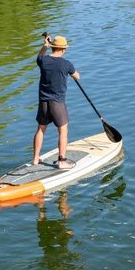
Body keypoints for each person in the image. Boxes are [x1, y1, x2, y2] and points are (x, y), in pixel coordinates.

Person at [33, 33, 80, 169]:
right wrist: (73, 75)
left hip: (43, 102)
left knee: (41, 129)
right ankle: (62, 161)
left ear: (52, 47)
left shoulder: (43, 61)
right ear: (63, 49)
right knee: (63, 131)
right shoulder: (66, 64)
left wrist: (45, 45)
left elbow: (40, 56)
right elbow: (77, 76)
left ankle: (36, 158)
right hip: (57, 102)